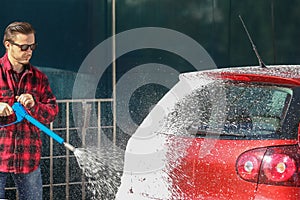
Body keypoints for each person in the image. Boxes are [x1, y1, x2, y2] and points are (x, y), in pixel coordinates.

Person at [0, 21, 58, 199]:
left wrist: (35, 105)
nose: (29, 51)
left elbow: (52, 112)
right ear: (8, 45)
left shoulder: (39, 78)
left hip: (28, 159)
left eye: (32, 46)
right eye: (24, 46)